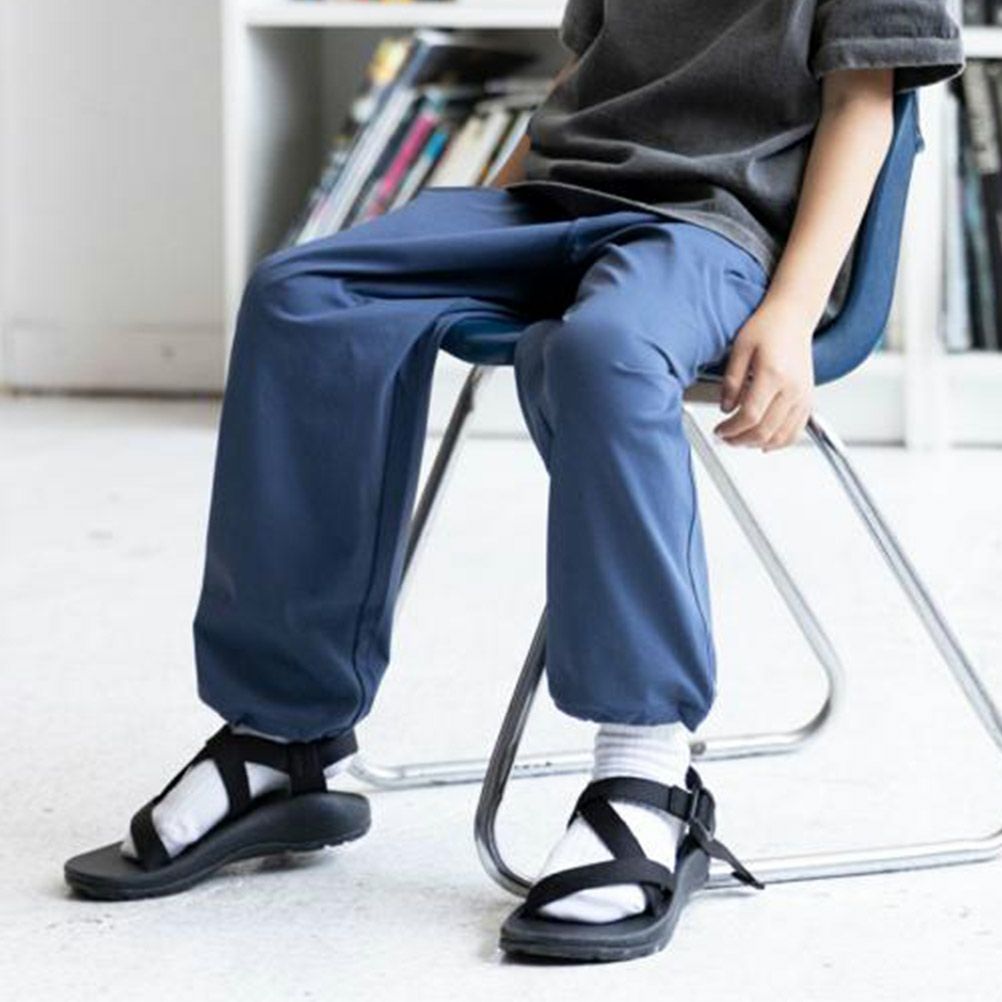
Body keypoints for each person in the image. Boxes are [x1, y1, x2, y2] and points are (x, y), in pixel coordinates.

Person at [65, 0, 965, 964]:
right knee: (300, 297)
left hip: (717, 230)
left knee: (604, 353)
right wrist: (477, 236)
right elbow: (585, 72)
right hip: (555, 200)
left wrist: (792, 311)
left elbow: (865, 102)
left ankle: (650, 776)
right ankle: (281, 738)